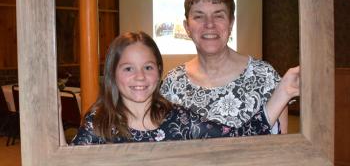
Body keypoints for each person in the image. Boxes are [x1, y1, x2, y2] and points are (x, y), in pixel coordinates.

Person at [71, 32, 299, 145]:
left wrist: (283, 92)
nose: (140, 77)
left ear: (159, 71)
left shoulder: (178, 119)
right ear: (113, 73)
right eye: (128, 68)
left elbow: (238, 139)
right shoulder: (98, 122)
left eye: (148, 67)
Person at [160, 0, 288, 134]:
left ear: (231, 23)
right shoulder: (173, 84)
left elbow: (281, 145)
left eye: (219, 15)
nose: (209, 24)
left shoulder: (265, 77)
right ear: (187, 27)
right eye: (199, 16)